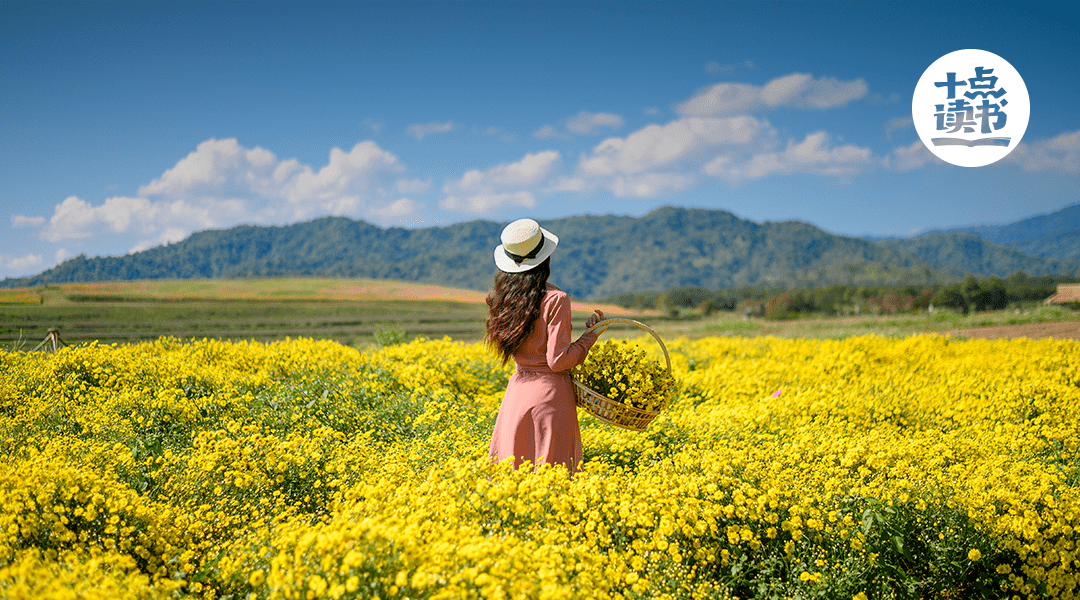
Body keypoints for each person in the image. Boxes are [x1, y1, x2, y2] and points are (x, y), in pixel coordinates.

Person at [486, 218, 604, 475]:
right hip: (550, 399)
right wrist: (589, 338)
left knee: (513, 482)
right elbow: (557, 361)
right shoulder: (556, 300)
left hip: (517, 395)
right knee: (554, 482)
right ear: (545, 259)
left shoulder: (503, 300)